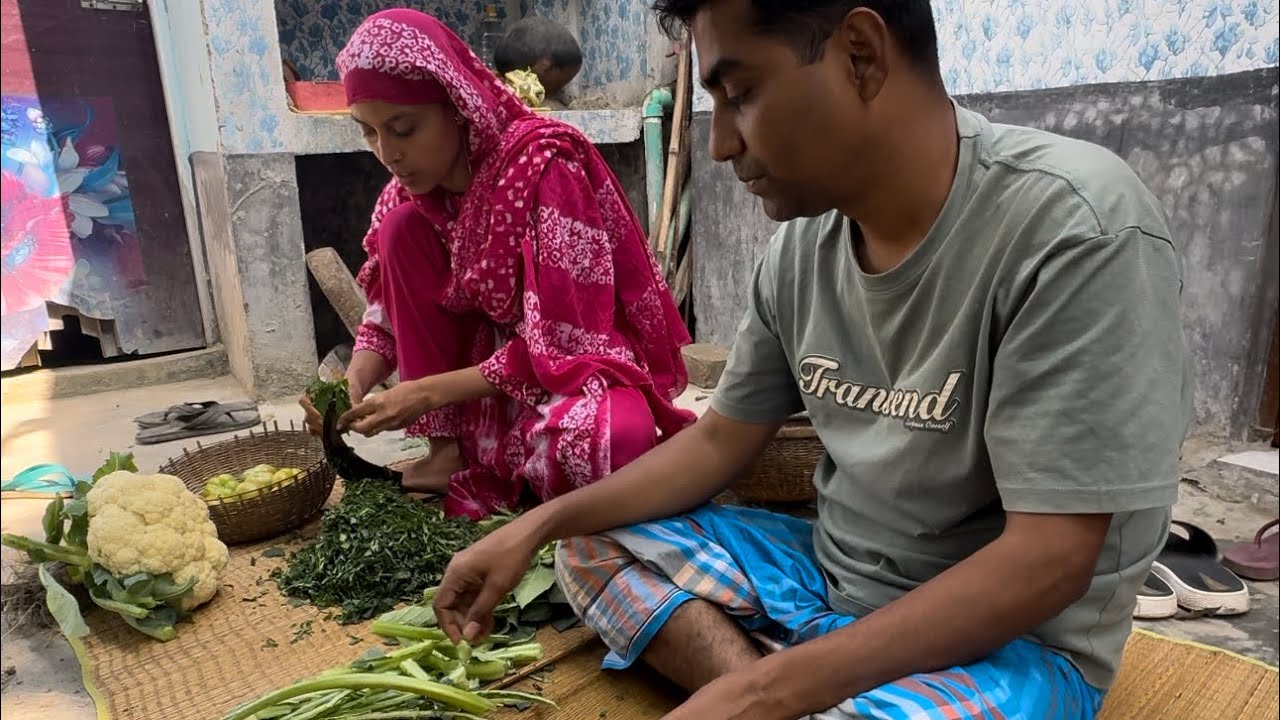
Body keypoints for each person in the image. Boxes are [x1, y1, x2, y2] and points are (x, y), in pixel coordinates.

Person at [431, 1, 1193, 718]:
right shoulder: (800, 252)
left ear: (859, 56)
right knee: (591, 544)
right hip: (827, 583)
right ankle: (797, 685)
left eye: (741, 93)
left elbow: (1048, 562)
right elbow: (719, 441)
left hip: (1011, 646)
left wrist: (765, 691)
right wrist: (533, 528)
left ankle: (785, 686)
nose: (724, 141)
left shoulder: (1074, 228)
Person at [300, 9, 695, 519]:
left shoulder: (543, 168)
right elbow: (385, 322)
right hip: (478, 384)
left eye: (403, 128)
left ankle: (501, 461)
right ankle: (447, 453)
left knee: (614, 443)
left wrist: (424, 394)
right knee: (399, 230)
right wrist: (348, 386)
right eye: (370, 133)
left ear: (457, 105)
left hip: (569, 364)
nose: (388, 153)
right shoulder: (409, 200)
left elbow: (569, 342)